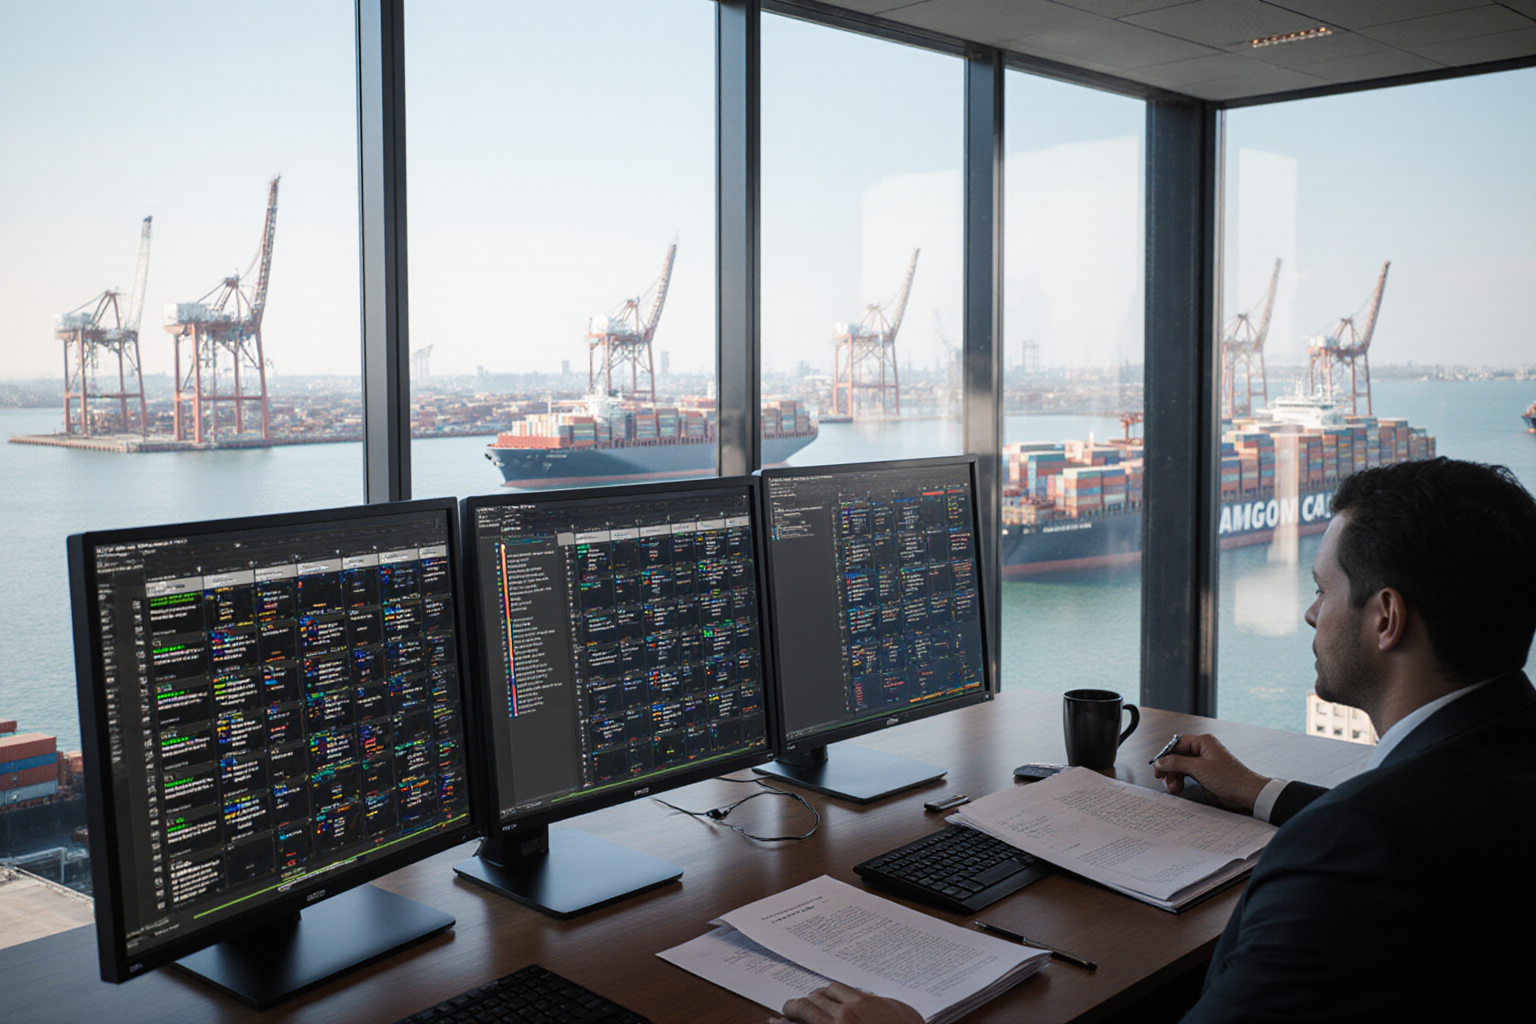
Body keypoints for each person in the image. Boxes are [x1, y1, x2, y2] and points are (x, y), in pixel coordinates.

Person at [773, 458, 1536, 1024]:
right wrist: (1265, 792)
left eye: (1320, 590)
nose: (1309, 616)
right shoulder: (1501, 752)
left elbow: (1375, 842)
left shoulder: (1355, 848)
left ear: (1386, 617)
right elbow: (1420, 821)